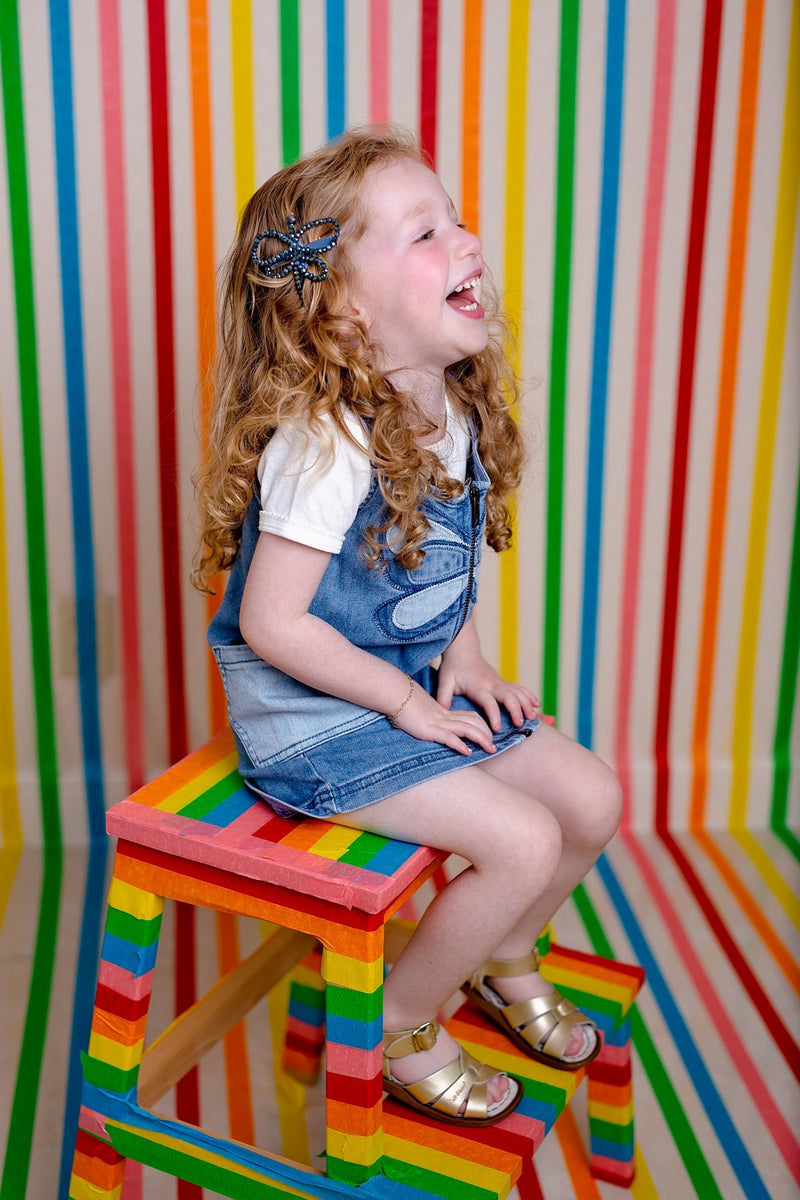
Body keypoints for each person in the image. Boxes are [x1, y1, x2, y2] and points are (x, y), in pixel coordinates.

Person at [192, 125, 622, 1128]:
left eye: (456, 220)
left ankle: (499, 956)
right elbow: (272, 623)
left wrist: (463, 662)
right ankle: (397, 1022)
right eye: (427, 232)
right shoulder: (323, 443)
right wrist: (404, 702)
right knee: (520, 839)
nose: (467, 241)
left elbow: (437, 571)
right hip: (314, 722)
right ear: (345, 311)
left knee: (591, 798)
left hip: (403, 693)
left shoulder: (446, 406)